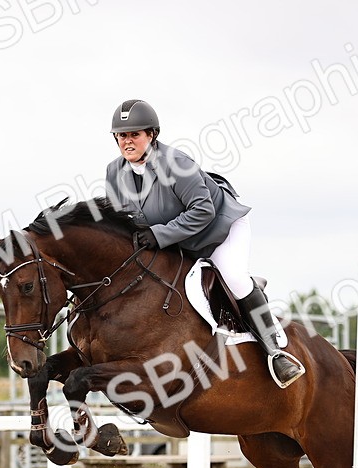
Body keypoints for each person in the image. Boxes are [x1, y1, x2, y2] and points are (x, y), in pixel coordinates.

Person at [103, 99, 305, 389]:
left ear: (152, 135)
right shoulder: (114, 172)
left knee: (233, 276)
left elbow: (203, 210)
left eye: (135, 134)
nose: (128, 141)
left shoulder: (176, 164)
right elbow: (119, 218)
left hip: (219, 228)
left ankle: (274, 350)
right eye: (122, 136)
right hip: (176, 239)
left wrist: (158, 235)